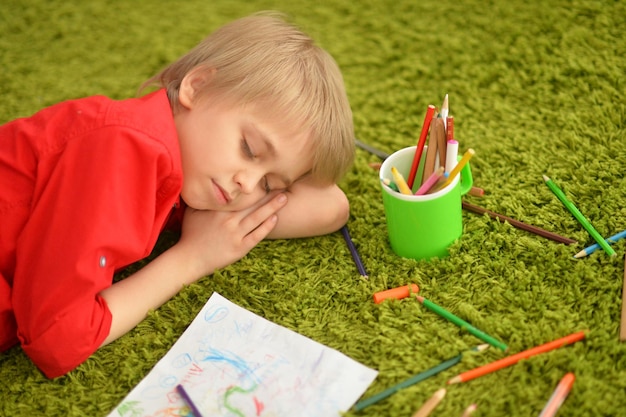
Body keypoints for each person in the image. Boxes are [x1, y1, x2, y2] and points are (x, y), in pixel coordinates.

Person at [0, 12, 354, 378]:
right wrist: (193, 258)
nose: (248, 186)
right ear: (196, 87)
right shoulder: (122, 148)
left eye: (270, 186)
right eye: (249, 148)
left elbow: (330, 207)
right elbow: (57, 339)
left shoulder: (187, 167)